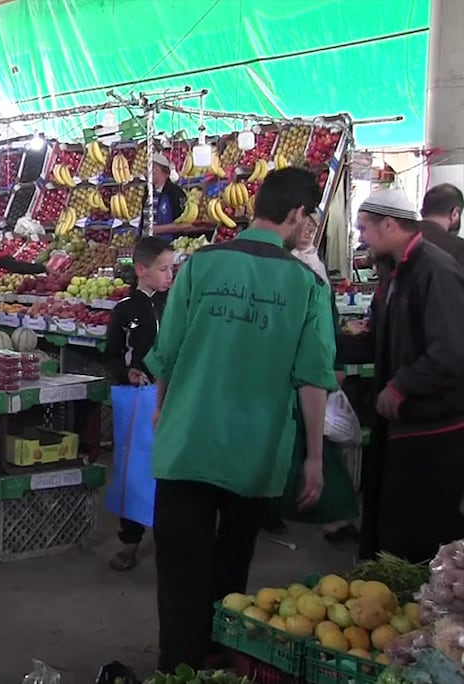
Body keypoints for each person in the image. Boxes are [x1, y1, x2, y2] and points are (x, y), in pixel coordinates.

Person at [144, 167, 337, 673]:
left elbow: (169, 349)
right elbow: (313, 376)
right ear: (296, 214)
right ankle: (216, 654)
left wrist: (163, 406)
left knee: (180, 564)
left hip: (188, 440)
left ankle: (176, 667)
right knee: (232, 561)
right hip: (254, 450)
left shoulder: (201, 265)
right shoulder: (305, 282)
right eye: (308, 217)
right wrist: (315, 458)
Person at [347, 189, 464, 563]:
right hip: (405, 426)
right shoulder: (396, 271)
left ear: (390, 224)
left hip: (435, 429)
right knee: (396, 527)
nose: (361, 237)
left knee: (424, 533)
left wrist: (402, 385)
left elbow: (451, 349)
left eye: (364, 228)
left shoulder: (435, 269)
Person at [277, 216, 360, 543]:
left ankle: (334, 516)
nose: (306, 233)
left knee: (320, 446)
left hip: (310, 370)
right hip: (289, 372)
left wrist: (332, 361)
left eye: (311, 228)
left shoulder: (314, 267)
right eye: (301, 227)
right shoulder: (285, 266)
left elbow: (326, 324)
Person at [105, 236, 174, 572]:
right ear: (141, 270)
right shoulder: (124, 310)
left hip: (170, 398)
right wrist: (126, 372)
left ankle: (169, 539)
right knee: (132, 468)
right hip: (135, 400)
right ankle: (129, 541)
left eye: (172, 268)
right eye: (163, 269)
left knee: (166, 469)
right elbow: (112, 355)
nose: (169, 275)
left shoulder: (175, 305)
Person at [144, 154, 190, 237]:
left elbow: (186, 225)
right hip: (148, 245)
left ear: (156, 170)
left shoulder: (175, 193)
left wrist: (157, 229)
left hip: (167, 245)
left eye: (146, 169)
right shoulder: (147, 191)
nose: (144, 173)